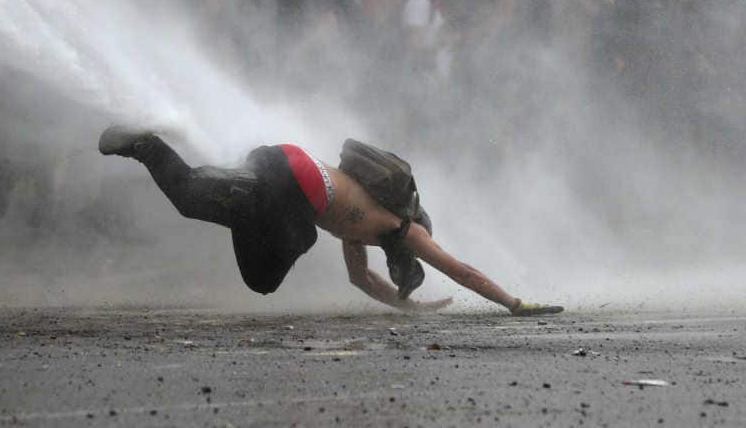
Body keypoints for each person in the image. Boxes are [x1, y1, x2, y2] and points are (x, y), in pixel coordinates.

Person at [98, 126, 563, 316]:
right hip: (295, 186)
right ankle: (244, 196)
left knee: (190, 202)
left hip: (279, 163)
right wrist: (513, 303)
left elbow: (360, 279)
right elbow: (460, 270)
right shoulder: (403, 228)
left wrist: (409, 309)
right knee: (289, 246)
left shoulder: (361, 229)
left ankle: (145, 145)